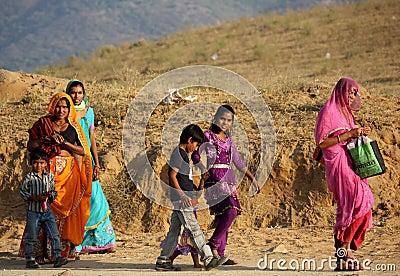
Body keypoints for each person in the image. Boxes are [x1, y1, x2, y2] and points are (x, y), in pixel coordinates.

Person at [18, 92, 92, 262]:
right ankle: (38, 252)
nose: (61, 110)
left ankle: (58, 253)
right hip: (46, 172)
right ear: (52, 106)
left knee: (63, 213)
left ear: (69, 109)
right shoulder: (43, 123)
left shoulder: (73, 127)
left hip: (68, 174)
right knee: (42, 208)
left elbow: (82, 150)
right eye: (58, 106)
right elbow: (31, 145)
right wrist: (46, 139)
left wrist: (64, 143)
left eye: (65, 107)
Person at [314, 78, 374, 271]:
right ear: (341, 91)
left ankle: (344, 255)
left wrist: (359, 132)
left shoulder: (346, 113)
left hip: (351, 162)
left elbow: (350, 135)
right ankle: (343, 255)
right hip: (338, 164)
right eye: (350, 92)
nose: (352, 96)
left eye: (355, 93)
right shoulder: (328, 111)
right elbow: (322, 143)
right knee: (356, 202)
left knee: (359, 206)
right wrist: (348, 135)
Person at [191, 104, 260, 265]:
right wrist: (202, 169)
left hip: (229, 179)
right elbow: (195, 154)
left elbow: (238, 162)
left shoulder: (228, 140)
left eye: (229, 120)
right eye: (222, 118)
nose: (225, 122)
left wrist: (253, 179)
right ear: (215, 118)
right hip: (214, 177)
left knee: (224, 216)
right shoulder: (207, 136)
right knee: (231, 211)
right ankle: (212, 245)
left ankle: (220, 254)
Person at [155, 124, 227, 271]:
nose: (196, 148)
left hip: (181, 200)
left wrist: (201, 181)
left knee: (174, 232)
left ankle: (163, 260)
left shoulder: (183, 156)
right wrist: (182, 196)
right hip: (182, 201)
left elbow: (184, 180)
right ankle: (208, 258)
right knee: (194, 229)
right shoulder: (178, 154)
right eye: (196, 144)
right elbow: (172, 175)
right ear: (189, 140)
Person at [66, 80, 116, 254]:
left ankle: (103, 241)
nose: (77, 96)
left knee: (96, 199)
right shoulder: (66, 112)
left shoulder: (90, 111)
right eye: (73, 93)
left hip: (88, 160)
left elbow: (91, 138)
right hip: (73, 162)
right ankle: (77, 242)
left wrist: (97, 162)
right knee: (78, 200)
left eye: (80, 93)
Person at [20, 148, 68, 269]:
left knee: (54, 235)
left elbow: (54, 192)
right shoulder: (29, 178)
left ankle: (58, 257)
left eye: (41, 163)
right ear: (31, 163)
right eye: (36, 162)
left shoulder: (49, 177)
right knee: (31, 237)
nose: (39, 165)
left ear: (46, 163)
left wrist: (51, 195)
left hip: (47, 211)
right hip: (34, 212)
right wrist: (35, 198)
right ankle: (30, 259)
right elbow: (23, 192)